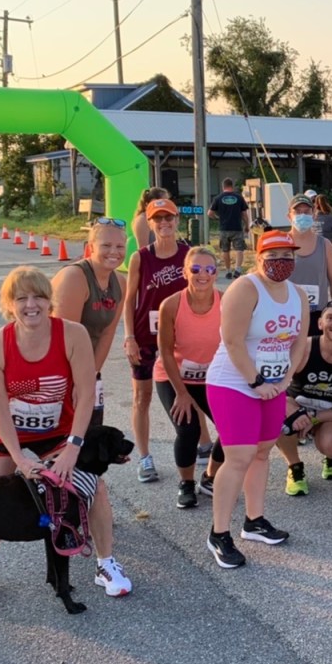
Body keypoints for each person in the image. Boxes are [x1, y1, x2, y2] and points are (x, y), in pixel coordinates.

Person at [0, 266, 131, 606]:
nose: (31, 305)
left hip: (58, 431)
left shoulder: (72, 335)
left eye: (39, 297)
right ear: (9, 304)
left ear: (49, 301)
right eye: (21, 298)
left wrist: (74, 447)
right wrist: (18, 457)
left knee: (95, 488)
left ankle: (104, 563)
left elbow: (86, 393)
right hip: (4, 433)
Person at [204, 230, 310, 568]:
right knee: (239, 456)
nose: (282, 262)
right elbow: (232, 341)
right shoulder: (246, 288)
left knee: (263, 452)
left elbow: (299, 341)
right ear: (259, 256)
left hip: (274, 386)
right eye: (274, 255)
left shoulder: (298, 295)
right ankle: (219, 533)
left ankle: (254, 520)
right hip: (234, 382)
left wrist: (286, 379)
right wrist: (256, 380)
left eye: (289, 255)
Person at [122, 197, 190, 484]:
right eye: (157, 219)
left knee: (190, 392)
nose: (164, 224)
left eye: (169, 218)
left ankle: (199, 444)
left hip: (181, 337)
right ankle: (145, 457)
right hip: (145, 336)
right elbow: (129, 301)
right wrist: (128, 337)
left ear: (177, 220)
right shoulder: (141, 257)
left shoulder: (188, 254)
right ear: (149, 223)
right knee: (142, 397)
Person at [155, 246, 226, 509]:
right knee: (189, 428)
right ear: (185, 272)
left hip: (212, 377)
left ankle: (210, 477)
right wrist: (182, 393)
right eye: (195, 269)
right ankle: (186, 483)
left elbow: (234, 343)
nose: (202, 275)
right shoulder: (171, 305)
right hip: (174, 376)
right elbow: (165, 350)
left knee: (232, 427)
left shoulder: (226, 301)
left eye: (209, 269)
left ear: (216, 273)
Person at [279, 300, 332, 496]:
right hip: (296, 406)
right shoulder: (303, 348)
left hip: (328, 414)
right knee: (277, 415)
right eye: (330, 318)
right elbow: (277, 388)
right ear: (320, 323)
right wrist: (295, 413)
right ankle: (295, 467)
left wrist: (315, 417)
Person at [51, 218, 127, 428]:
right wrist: (78, 382)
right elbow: (65, 337)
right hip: (59, 368)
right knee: (61, 438)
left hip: (85, 369)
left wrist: (91, 377)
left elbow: (107, 333)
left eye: (120, 246)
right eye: (106, 245)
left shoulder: (120, 282)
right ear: (90, 247)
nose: (114, 252)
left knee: (89, 435)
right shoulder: (74, 277)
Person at [286, 193, 332, 337]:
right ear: (289, 216)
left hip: (317, 314)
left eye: (306, 212)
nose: (302, 215)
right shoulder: (281, 243)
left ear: (314, 215)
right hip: (286, 314)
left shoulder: (325, 245)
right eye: (297, 212)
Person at [208, 177, 249, 279]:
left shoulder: (218, 198)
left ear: (223, 187)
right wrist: (247, 226)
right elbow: (244, 215)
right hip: (237, 228)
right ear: (232, 186)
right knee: (239, 249)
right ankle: (238, 270)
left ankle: (228, 271)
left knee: (225, 250)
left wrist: (217, 218)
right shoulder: (239, 198)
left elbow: (210, 213)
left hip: (224, 228)